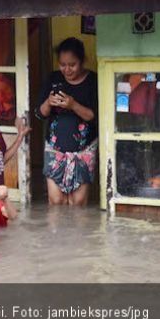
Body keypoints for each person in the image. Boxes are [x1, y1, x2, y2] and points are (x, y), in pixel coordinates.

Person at [35, 37, 98, 206]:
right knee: (56, 201)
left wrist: (73, 104)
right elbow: (39, 114)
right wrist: (48, 102)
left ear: (82, 61)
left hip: (84, 150)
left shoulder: (92, 80)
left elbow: (94, 116)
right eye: (63, 64)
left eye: (72, 64)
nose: (67, 69)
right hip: (55, 151)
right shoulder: (53, 79)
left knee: (78, 202)